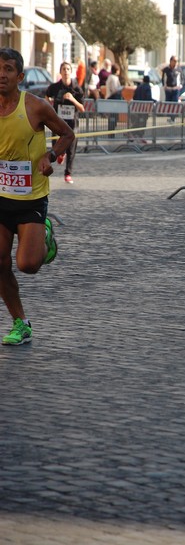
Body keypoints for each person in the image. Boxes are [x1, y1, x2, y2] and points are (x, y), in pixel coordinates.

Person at [0, 47, 75, 345]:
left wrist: (51, 155)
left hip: (30, 198)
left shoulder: (35, 107)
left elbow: (68, 135)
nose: (1, 74)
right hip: (1, 196)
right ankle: (21, 322)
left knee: (28, 265)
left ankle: (46, 237)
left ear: (19, 76)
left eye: (7, 69)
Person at [45, 61, 84, 184]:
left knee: (71, 150)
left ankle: (68, 173)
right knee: (55, 147)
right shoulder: (54, 87)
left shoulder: (77, 89)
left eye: (68, 69)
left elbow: (82, 108)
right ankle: (60, 154)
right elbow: (46, 97)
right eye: (64, 69)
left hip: (72, 124)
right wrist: (49, 105)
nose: (66, 71)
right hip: (57, 122)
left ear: (71, 72)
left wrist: (72, 99)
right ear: (60, 72)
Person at [105, 63, 123, 136]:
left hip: (110, 98)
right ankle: (111, 133)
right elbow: (114, 89)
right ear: (117, 70)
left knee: (112, 117)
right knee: (113, 117)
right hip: (113, 98)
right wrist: (121, 88)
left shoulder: (110, 77)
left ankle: (111, 132)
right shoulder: (114, 78)